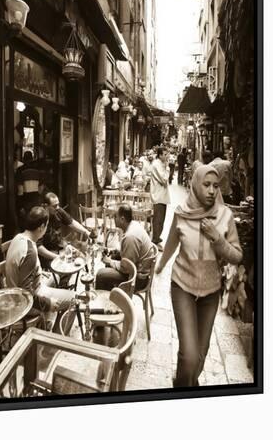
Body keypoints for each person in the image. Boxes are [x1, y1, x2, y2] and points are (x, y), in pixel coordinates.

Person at [155, 165, 243, 387]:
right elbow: (172, 242)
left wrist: (218, 239)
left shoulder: (225, 216)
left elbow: (237, 256)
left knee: (199, 359)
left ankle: (183, 380)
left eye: (215, 186)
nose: (212, 190)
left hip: (211, 292)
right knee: (190, 355)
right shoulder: (182, 212)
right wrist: (160, 266)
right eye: (206, 185)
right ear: (196, 185)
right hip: (182, 286)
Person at [5, 206, 76, 328]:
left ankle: (48, 322)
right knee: (75, 299)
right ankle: (56, 341)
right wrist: (48, 304)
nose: (46, 229)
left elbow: (22, 272)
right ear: (41, 227)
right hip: (22, 303)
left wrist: (39, 273)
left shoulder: (18, 237)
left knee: (55, 278)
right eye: (46, 226)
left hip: (14, 292)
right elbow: (26, 295)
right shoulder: (30, 252)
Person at [96, 203, 154, 292]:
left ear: (122, 219)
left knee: (100, 275)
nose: (113, 219)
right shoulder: (133, 225)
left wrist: (110, 262)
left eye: (115, 217)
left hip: (137, 279)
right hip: (138, 268)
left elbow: (127, 269)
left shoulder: (130, 236)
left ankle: (109, 300)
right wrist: (115, 251)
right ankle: (112, 293)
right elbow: (129, 253)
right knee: (113, 256)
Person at [37, 192, 90, 266]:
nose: (58, 207)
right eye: (55, 206)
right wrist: (57, 257)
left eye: (58, 204)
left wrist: (86, 232)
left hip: (60, 245)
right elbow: (38, 247)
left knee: (81, 257)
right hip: (48, 252)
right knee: (67, 266)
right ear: (46, 206)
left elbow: (71, 222)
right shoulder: (39, 218)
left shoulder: (57, 210)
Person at [150, 146, 170, 250]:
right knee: (158, 219)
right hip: (158, 195)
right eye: (165, 154)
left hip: (162, 195)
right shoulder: (157, 164)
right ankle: (155, 240)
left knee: (161, 218)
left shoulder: (161, 163)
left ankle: (157, 238)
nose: (167, 156)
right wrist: (167, 167)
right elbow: (164, 179)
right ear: (160, 155)